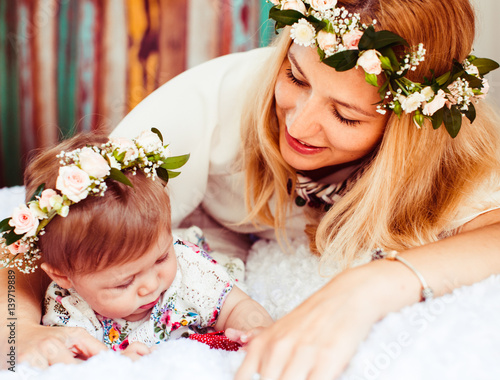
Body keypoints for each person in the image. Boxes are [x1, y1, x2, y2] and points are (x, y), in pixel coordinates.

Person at [2, 0, 500, 378]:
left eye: (345, 115)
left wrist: (367, 289)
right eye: (295, 77)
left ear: (409, 127)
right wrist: (17, 331)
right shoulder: (208, 104)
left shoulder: (449, 147)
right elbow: (38, 233)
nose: (301, 125)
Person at [0, 131, 272, 362]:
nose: (150, 285)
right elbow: (76, 359)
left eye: (161, 259)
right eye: (123, 282)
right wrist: (116, 364)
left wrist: (254, 329)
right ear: (63, 276)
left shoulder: (189, 271)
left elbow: (236, 306)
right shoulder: (67, 309)